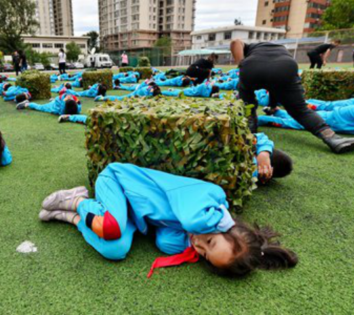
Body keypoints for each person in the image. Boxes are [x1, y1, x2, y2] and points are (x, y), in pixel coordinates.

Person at [38, 163, 298, 278]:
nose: (199, 246)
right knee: (111, 228)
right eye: (209, 241)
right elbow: (190, 218)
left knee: (114, 249)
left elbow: (164, 241)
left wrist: (195, 245)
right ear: (226, 226)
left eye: (204, 255)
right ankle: (79, 201)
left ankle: (70, 217)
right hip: (118, 180)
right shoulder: (211, 200)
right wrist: (213, 223)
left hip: (130, 214)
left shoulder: (193, 233)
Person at [230, 39, 354, 154]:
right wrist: (272, 107)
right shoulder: (277, 49)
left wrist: (241, 64)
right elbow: (274, 89)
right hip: (286, 66)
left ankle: (250, 141)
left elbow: (235, 42)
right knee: (301, 110)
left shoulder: (250, 47)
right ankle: (332, 138)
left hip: (252, 67)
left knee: (248, 107)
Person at [259, 106, 354, 135]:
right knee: (290, 123)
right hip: (329, 120)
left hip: (329, 116)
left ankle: (278, 112)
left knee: (300, 117)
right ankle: (259, 119)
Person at [16, 92, 81, 116]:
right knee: (40, 107)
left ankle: (27, 104)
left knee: (40, 107)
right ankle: (27, 104)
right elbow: (79, 104)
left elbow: (61, 110)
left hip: (54, 104)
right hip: (55, 103)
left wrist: (64, 100)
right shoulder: (77, 109)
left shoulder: (62, 110)